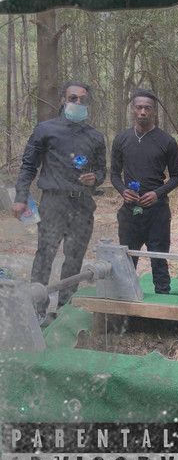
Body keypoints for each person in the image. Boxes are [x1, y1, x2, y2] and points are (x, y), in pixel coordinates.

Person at [11, 81, 106, 322]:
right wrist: (21, 197)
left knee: (74, 259)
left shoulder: (95, 136)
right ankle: (37, 310)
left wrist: (95, 178)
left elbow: (101, 171)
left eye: (83, 99)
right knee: (45, 255)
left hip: (82, 205)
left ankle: (64, 310)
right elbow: (29, 166)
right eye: (73, 98)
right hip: (53, 203)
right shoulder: (45, 130)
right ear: (63, 100)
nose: (77, 103)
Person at [111, 89, 178, 294]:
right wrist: (123, 191)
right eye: (139, 107)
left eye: (147, 108)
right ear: (132, 109)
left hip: (157, 212)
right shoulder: (121, 140)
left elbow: (176, 177)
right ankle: (126, 303)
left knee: (159, 260)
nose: (143, 112)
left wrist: (157, 194)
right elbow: (114, 175)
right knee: (127, 261)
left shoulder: (167, 141)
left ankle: (162, 300)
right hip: (130, 211)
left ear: (155, 111)